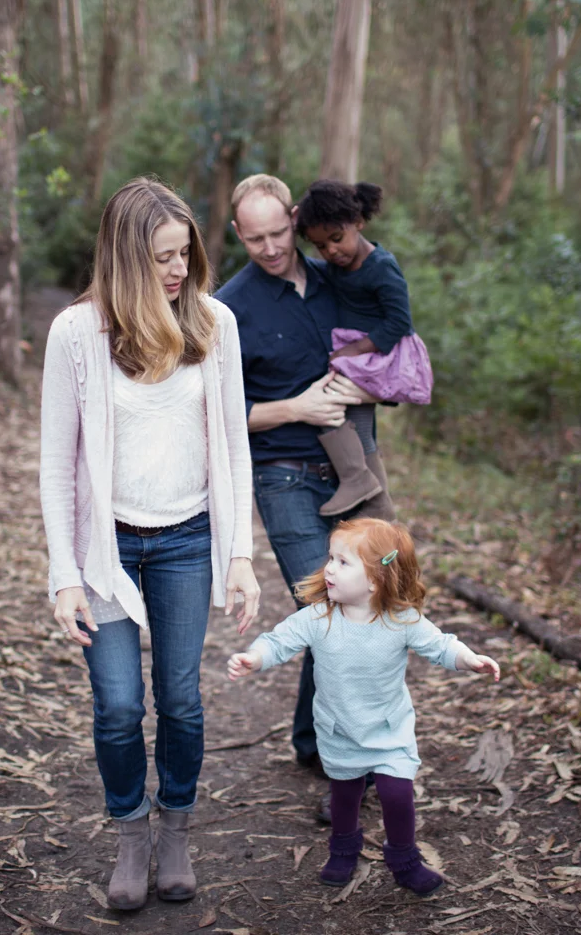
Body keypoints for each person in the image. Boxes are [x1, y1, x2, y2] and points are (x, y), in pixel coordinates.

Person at [39, 177, 261, 911]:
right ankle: (131, 831)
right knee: (116, 706)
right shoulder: (77, 334)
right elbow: (56, 465)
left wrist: (239, 556)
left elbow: (233, 445)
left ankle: (176, 831)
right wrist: (64, 573)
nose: (177, 270)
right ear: (126, 258)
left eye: (184, 254)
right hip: (106, 550)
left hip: (187, 543)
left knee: (182, 701)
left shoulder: (215, 325)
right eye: (162, 257)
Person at [226, 519, 500, 896]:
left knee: (397, 793)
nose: (329, 569)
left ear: (375, 580)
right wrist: (254, 658)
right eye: (331, 559)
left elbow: (440, 644)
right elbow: (279, 640)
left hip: (389, 729)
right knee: (345, 793)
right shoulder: (318, 618)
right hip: (340, 728)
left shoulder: (401, 621)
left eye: (342, 562)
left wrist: (469, 659)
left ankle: (404, 860)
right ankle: (343, 850)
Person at [215, 174, 380, 794]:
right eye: (254, 238)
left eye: (279, 232)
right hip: (283, 476)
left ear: (294, 217)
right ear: (238, 234)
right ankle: (346, 764)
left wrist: (376, 384)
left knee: (355, 607)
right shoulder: (228, 307)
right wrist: (297, 407)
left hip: (354, 468)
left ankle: (313, 741)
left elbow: (377, 350)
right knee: (332, 608)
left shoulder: (339, 275)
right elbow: (221, 414)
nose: (270, 247)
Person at [294, 179, 432, 518]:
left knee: (329, 402)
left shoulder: (381, 267)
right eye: (320, 246)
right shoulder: (339, 267)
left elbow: (400, 321)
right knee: (354, 424)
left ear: (358, 222)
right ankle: (372, 505)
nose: (331, 251)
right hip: (360, 354)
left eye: (336, 239)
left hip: (379, 354)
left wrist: (355, 350)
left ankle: (369, 495)